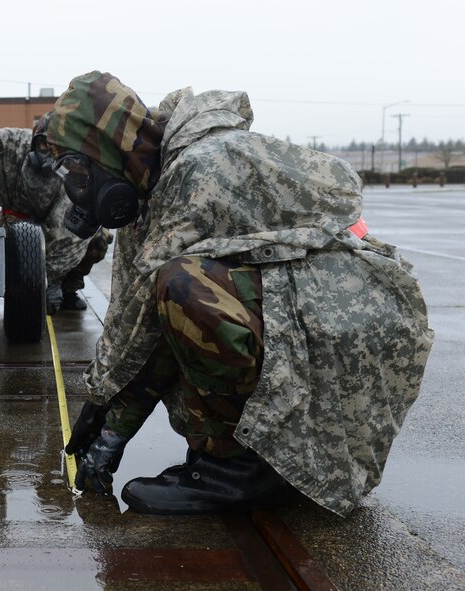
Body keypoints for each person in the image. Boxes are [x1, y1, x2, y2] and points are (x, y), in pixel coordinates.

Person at [51, 71, 433, 517]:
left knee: (185, 289)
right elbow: (130, 315)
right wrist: (104, 407)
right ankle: (234, 457)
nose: (79, 185)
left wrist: (109, 422)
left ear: (107, 148)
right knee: (177, 293)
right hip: (307, 308)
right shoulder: (154, 186)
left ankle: (236, 471)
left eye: (80, 167)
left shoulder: (202, 170)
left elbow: (145, 322)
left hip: (344, 317)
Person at [0, 112, 111, 313]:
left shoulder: (76, 173)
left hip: (52, 235)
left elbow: (68, 235)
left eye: (58, 148)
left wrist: (49, 281)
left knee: (99, 238)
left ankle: (68, 289)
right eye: (45, 145)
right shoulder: (13, 144)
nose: (50, 154)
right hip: (13, 231)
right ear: (35, 141)